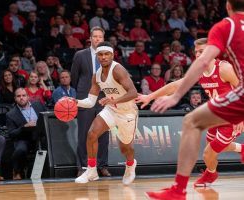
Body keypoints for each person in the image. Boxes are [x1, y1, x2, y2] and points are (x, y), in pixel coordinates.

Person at [141, 1, 244, 199]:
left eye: (202, 51)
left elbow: (239, 87)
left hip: (232, 111)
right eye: (196, 52)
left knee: (203, 145)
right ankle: (230, 157)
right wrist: (150, 96)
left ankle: (180, 189)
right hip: (222, 112)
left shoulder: (223, 59)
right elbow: (175, 84)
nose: (199, 55)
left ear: (228, 6)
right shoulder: (205, 69)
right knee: (210, 141)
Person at [74, 42, 138, 184]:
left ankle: (130, 165)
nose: (103, 57)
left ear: (112, 55)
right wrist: (75, 102)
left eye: (106, 54)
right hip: (111, 110)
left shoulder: (118, 70)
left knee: (125, 148)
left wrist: (114, 101)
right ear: (97, 56)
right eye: (100, 54)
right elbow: (90, 102)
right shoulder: (96, 76)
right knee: (91, 134)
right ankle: (91, 171)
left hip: (127, 112)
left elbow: (133, 93)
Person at [71, 26, 111, 177]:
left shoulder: (108, 56)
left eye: (100, 37)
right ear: (90, 38)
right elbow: (74, 77)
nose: (97, 39)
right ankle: (82, 166)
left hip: (103, 98)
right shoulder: (80, 55)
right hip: (85, 97)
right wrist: (82, 92)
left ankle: (102, 165)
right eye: (95, 37)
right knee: (84, 133)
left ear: (103, 38)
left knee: (103, 134)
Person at [6, 88, 46, 180]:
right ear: (15, 98)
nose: (21, 98)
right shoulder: (10, 114)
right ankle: (17, 171)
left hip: (40, 136)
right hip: (23, 138)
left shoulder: (38, 105)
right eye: (18, 96)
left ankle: (43, 173)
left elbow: (47, 117)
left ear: (28, 97)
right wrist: (24, 127)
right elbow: (11, 134)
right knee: (20, 150)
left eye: (24, 95)